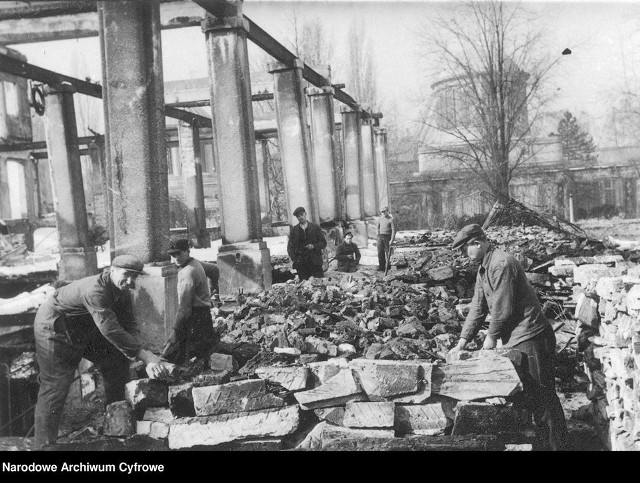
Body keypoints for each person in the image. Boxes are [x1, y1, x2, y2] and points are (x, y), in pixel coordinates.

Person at [447, 224, 570, 451]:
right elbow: (478, 307)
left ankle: (558, 447)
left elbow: (503, 308)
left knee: (543, 398)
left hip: (532, 336)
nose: (465, 255)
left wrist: (490, 339)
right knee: (529, 397)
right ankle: (543, 445)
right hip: (517, 338)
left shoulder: (502, 264)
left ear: (478, 242)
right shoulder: (484, 268)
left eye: (466, 249)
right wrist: (462, 342)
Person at [33, 255, 173, 448]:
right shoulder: (96, 290)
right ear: (111, 270)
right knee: (55, 384)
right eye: (126, 275)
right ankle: (43, 445)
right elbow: (110, 328)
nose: (131, 281)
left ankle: (116, 424)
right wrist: (146, 355)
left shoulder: (123, 290)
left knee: (115, 359)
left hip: (82, 328)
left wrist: (139, 356)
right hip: (55, 326)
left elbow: (129, 324)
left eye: (135, 276)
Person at [161, 239, 216, 364]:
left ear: (187, 251)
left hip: (195, 318)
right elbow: (214, 269)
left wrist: (175, 330)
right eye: (172, 255)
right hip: (204, 315)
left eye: (179, 254)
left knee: (190, 358)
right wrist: (212, 291)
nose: (176, 258)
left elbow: (184, 307)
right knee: (203, 355)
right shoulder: (195, 263)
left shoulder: (188, 272)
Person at [287, 206, 327, 280]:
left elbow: (323, 243)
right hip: (301, 265)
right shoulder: (294, 230)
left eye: (302, 215)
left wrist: (314, 246)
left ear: (305, 214)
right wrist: (295, 260)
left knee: (319, 285)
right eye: (298, 216)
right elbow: (290, 248)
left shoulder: (315, 227)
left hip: (315, 263)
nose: (300, 217)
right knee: (304, 287)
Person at [376, 206, 396, 272]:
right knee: (380, 252)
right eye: (382, 212)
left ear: (387, 211)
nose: (383, 213)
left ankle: (388, 267)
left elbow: (393, 230)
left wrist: (392, 240)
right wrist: (378, 236)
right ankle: (381, 267)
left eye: (384, 211)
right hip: (380, 236)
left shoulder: (391, 219)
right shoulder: (379, 219)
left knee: (388, 252)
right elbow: (378, 227)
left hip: (387, 237)